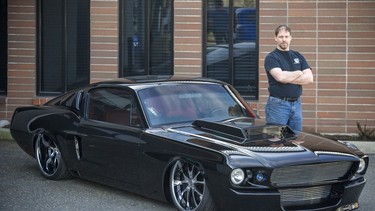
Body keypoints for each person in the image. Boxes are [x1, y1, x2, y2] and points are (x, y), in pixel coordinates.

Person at [264, 25, 313, 135]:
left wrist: (287, 78)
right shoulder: (271, 57)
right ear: (275, 38)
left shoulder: (298, 56)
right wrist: (299, 73)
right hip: (278, 105)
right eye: (281, 36)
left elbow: (309, 78)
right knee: (275, 140)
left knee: (296, 139)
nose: (284, 39)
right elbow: (280, 77)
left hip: (296, 104)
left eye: (286, 36)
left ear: (291, 38)